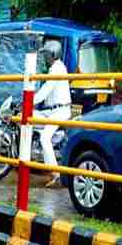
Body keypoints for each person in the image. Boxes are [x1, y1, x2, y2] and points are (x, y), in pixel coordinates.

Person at [33, 39, 71, 187]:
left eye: (47, 54)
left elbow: (45, 90)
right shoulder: (56, 67)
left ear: (53, 54)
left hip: (59, 111)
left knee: (44, 138)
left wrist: (30, 100)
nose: (45, 57)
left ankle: (55, 174)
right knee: (32, 116)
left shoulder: (57, 69)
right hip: (52, 111)